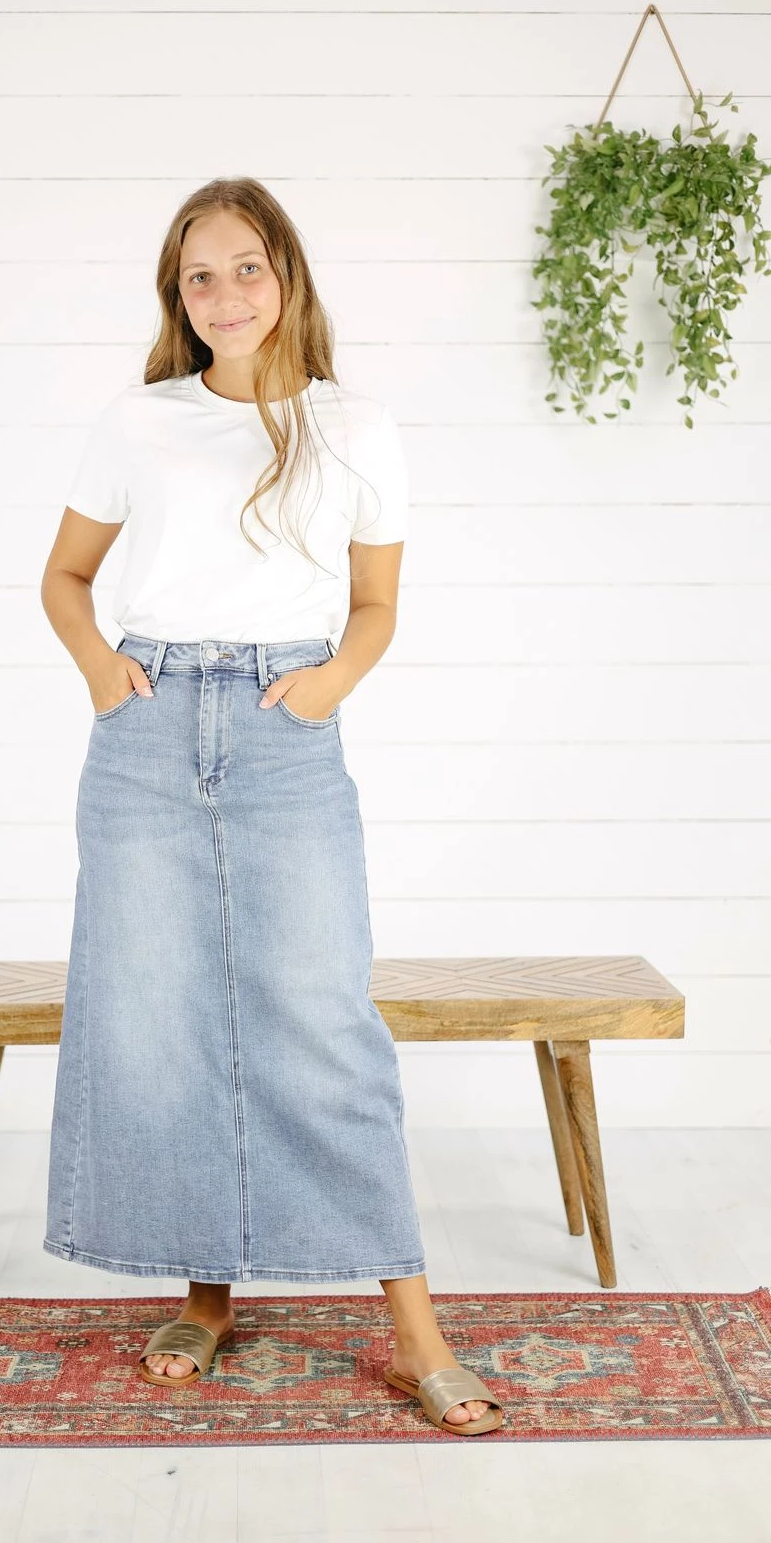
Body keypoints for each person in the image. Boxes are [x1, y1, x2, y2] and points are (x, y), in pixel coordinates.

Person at [39, 177, 503, 1436]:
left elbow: (377, 605)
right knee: (163, 1016)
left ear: (286, 274)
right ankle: (207, 1292)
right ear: (177, 297)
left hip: (286, 729)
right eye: (200, 276)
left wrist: (325, 688)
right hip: (146, 736)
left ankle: (413, 1330)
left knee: (323, 1016)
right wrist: (103, 673)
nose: (225, 294)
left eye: (246, 267)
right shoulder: (140, 420)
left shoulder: (356, 425)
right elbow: (67, 578)